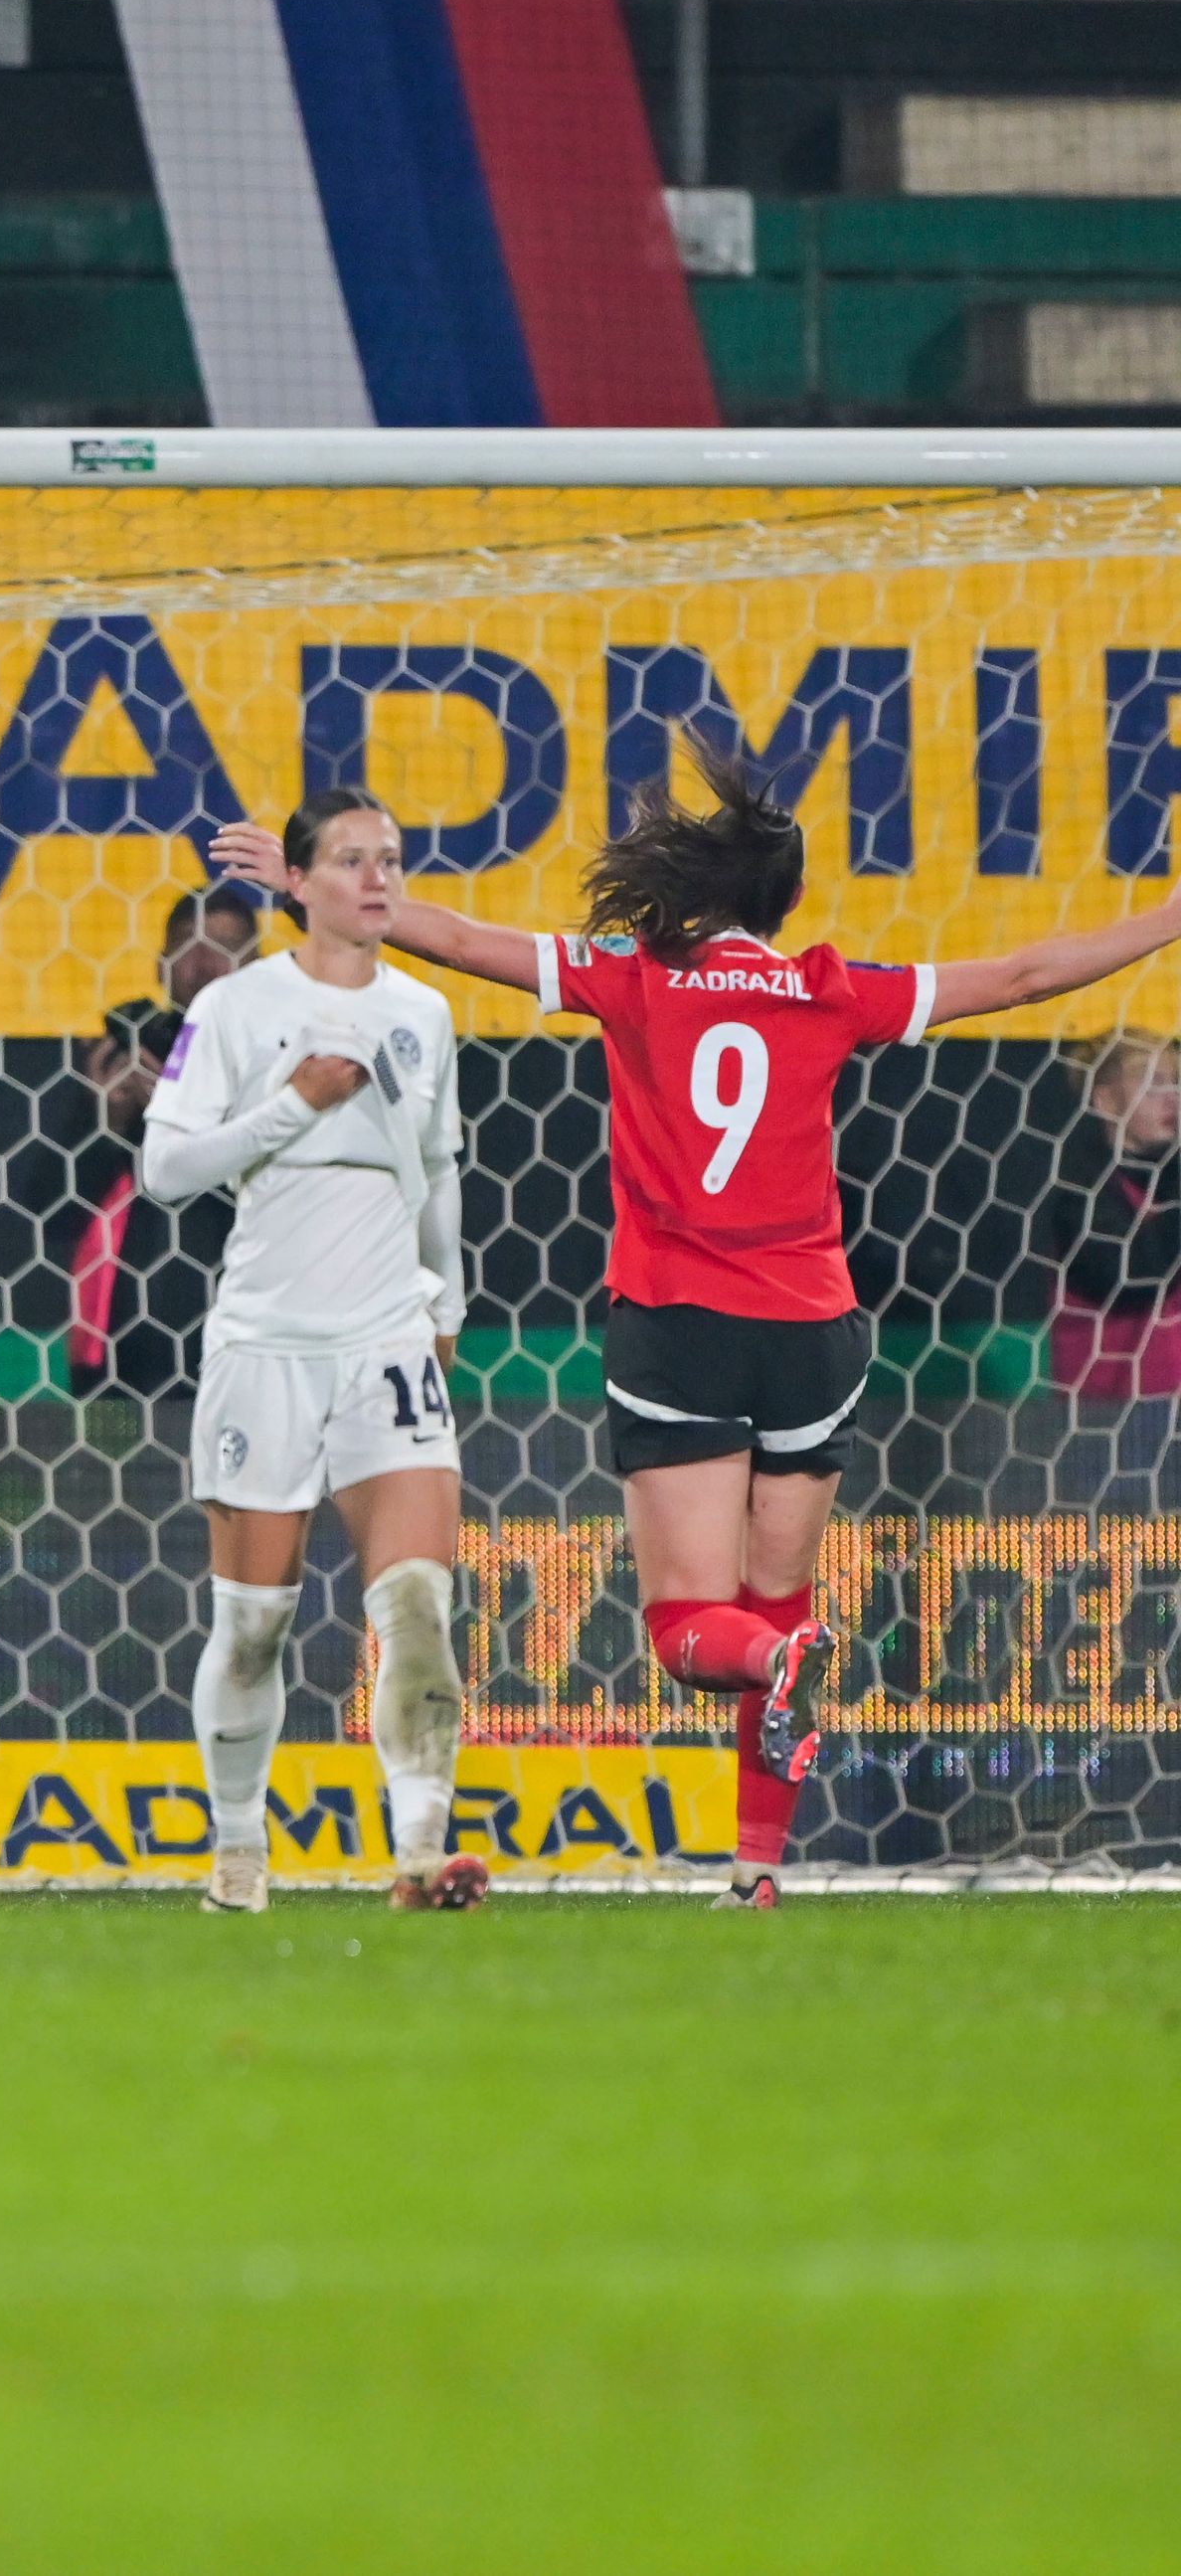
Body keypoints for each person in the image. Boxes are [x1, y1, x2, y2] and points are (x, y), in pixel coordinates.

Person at [216, 746, 1181, 1908]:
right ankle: (757, 1869)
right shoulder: (827, 986)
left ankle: (773, 1667)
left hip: (681, 1324)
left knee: (693, 1630)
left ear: (678, 888)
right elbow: (1028, 973)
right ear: (779, 901)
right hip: (815, 1335)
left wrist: (319, 889)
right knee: (777, 1599)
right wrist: (1169, 915)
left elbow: (463, 943)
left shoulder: (634, 975)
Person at [143, 791, 477, 1917]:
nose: (378, 879)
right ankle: (239, 1859)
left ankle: (422, 1855)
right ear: (298, 882)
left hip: (386, 1337)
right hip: (265, 1348)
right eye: (350, 860)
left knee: (419, 1604)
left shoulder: (424, 1013)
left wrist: (448, 1308)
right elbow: (166, 1171)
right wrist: (289, 1107)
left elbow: (436, 1172)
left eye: (391, 858)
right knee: (253, 1629)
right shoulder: (235, 1009)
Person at [61, 885, 269, 1394]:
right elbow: (45, 1210)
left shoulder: (283, 1063)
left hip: (260, 1329)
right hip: (130, 1345)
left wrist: (179, 1118)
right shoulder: (120, 1057)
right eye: (188, 948)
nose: (206, 964)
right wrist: (108, 1126)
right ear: (160, 966)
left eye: (224, 946)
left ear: (258, 965)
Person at [1037, 1034, 1181, 1401]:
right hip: (1110, 1410)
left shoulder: (1168, 1177)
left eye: (1176, 1083)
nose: (1171, 1097)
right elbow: (1130, 1277)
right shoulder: (1078, 1187)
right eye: (1152, 1084)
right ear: (1104, 1100)